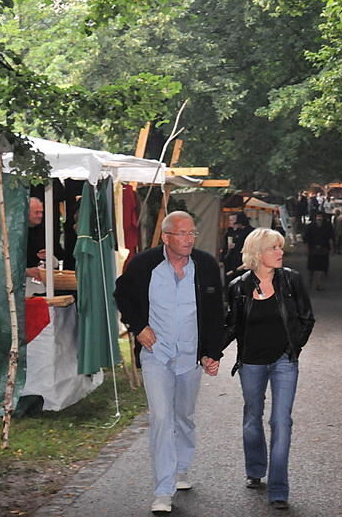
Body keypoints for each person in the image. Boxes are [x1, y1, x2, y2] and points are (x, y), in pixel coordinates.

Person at [113, 211, 225, 515]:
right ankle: (163, 489)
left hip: (190, 355)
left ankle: (181, 467)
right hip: (156, 355)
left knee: (184, 416)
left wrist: (211, 352)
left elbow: (216, 311)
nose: (188, 239)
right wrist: (139, 327)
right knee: (161, 417)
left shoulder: (205, 266)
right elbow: (121, 295)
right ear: (166, 237)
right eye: (182, 233)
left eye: (192, 233)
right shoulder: (143, 265)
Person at [225, 228, 315, 511]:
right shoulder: (238, 286)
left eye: (280, 248)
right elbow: (231, 326)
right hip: (251, 362)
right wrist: (210, 353)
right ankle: (255, 469)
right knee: (253, 418)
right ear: (257, 253)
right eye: (273, 248)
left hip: (284, 361)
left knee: (281, 421)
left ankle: (278, 488)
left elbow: (306, 318)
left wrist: (294, 348)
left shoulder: (291, 280)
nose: (280, 252)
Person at [303, 212, 333, 290]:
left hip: (323, 249)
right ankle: (309, 283)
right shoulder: (310, 226)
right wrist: (307, 248)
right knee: (311, 268)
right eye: (318, 217)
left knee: (320, 268)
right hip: (313, 249)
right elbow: (306, 239)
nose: (319, 218)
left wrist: (332, 248)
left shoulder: (327, 226)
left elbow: (330, 238)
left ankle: (318, 285)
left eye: (320, 217)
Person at [221, 212, 254, 280]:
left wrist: (236, 246)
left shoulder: (249, 232)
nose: (232, 223)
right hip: (232, 260)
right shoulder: (231, 232)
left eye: (233, 221)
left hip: (242, 260)